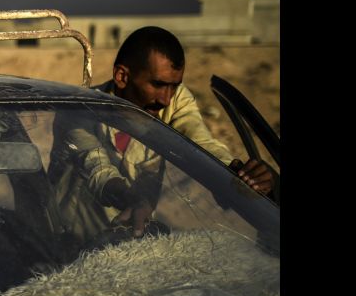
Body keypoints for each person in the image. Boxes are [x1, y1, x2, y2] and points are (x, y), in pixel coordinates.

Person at [49, 26, 277, 242]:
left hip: (128, 244)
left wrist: (238, 176)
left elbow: (200, 145)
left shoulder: (175, 102)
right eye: (158, 84)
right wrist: (132, 199)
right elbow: (97, 168)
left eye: (173, 86)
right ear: (122, 76)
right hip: (70, 241)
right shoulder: (80, 110)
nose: (165, 99)